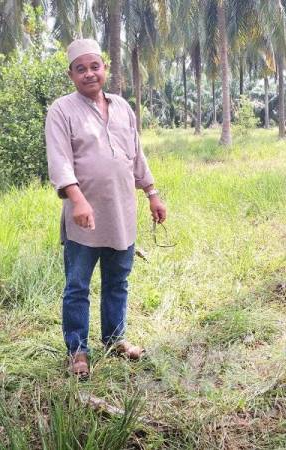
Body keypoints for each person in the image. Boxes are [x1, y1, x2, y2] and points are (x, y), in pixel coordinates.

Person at [45, 38, 167, 378]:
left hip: (121, 213)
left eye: (94, 66)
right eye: (80, 69)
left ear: (105, 69)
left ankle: (114, 339)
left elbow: (136, 155)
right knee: (77, 286)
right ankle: (78, 351)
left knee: (117, 281)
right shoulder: (61, 110)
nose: (89, 74)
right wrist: (77, 199)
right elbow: (59, 160)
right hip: (83, 217)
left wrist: (152, 193)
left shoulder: (122, 107)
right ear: (71, 74)